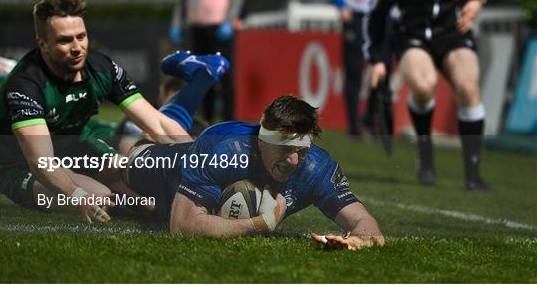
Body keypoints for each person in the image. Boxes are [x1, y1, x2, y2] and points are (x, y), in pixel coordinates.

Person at [0, 0, 228, 224]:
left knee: (128, 172)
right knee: (98, 196)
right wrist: (78, 196)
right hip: (19, 164)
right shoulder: (25, 85)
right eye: (65, 40)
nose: (77, 47)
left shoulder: (101, 68)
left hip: (72, 147)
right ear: (43, 45)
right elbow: (41, 162)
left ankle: (164, 205)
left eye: (81, 36)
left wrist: (198, 162)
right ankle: (145, 206)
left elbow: (157, 123)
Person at [119, 56, 384, 249]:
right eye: (284, 149)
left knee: (142, 207)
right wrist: (262, 223)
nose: (293, 161)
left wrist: (357, 241)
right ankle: (202, 74)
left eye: (301, 150)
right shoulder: (224, 147)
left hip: (199, 176)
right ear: (262, 140)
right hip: (169, 166)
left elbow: (365, 223)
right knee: (129, 155)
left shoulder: (317, 168)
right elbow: (183, 227)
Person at [365, 0, 508, 190]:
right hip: (412, 37)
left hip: (453, 35)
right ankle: (425, 152)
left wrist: (479, 0)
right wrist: (377, 59)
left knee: (468, 87)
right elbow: (376, 13)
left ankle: (473, 174)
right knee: (423, 85)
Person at [322, 0, 406, 138]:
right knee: (354, 71)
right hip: (356, 16)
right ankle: (354, 126)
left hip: (383, 16)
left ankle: (370, 118)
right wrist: (341, 5)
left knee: (383, 68)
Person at [169, 0, 246, 122]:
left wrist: (230, 19)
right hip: (197, 24)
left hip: (220, 25)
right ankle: (207, 122)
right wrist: (177, 20)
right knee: (202, 77)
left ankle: (229, 122)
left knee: (225, 79)